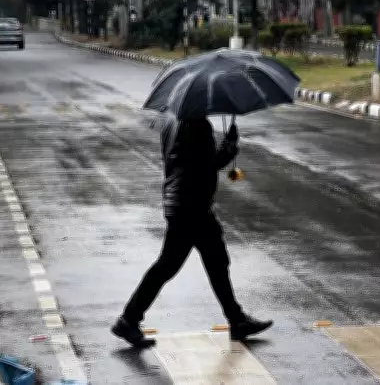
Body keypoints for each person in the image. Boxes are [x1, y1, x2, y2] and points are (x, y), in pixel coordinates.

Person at [111, 116, 272, 347]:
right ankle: (128, 320)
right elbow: (206, 165)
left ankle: (237, 320)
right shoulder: (196, 124)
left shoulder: (171, 121)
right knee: (174, 266)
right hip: (192, 206)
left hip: (181, 202)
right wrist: (229, 147)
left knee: (212, 262)